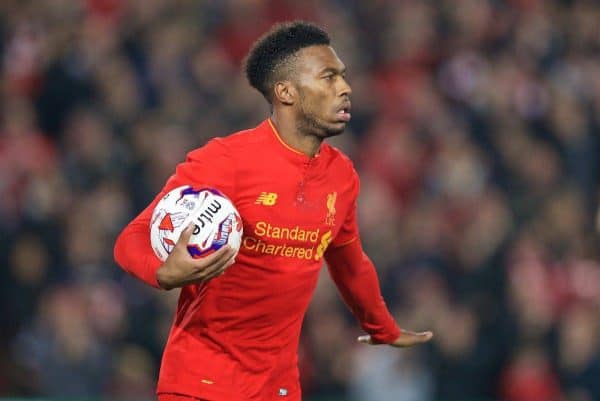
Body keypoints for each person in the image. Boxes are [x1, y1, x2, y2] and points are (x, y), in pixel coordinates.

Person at [114, 21, 433, 401]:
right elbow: (131, 238)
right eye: (328, 78)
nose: (345, 88)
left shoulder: (341, 176)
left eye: (343, 77)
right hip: (200, 383)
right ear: (285, 92)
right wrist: (164, 274)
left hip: (276, 388)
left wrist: (383, 328)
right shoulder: (226, 161)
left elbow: (350, 264)